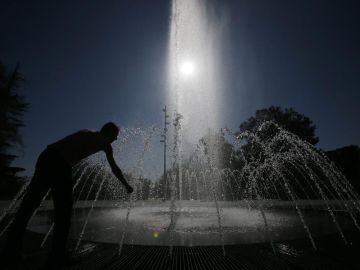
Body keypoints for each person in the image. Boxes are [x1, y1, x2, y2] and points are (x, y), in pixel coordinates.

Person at [2, 122, 133, 268]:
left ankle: (12, 250)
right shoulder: (87, 134)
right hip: (54, 159)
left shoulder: (106, 146)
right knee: (59, 209)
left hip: (50, 158)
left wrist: (126, 184)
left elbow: (114, 168)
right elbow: (64, 155)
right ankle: (55, 256)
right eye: (114, 136)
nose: (115, 140)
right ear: (107, 133)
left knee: (33, 205)